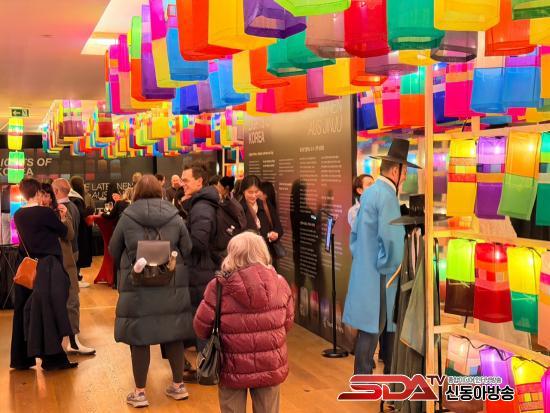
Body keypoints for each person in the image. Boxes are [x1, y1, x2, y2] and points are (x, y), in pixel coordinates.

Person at [109, 175, 194, 408]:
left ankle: (140, 393)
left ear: (136, 192)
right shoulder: (175, 216)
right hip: (171, 286)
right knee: (174, 334)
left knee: (140, 337)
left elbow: (113, 249)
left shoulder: (127, 217)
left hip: (138, 288)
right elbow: (187, 248)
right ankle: (178, 386)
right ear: (160, 191)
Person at [343, 139, 420, 375]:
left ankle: (361, 376)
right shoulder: (387, 196)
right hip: (381, 275)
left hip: (365, 270)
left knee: (369, 327)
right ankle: (364, 379)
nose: (405, 177)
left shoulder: (370, 193)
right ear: (395, 171)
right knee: (375, 327)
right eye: (405, 172)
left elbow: (355, 237)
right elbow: (393, 242)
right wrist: (389, 267)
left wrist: (366, 259)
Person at [194, 232, 294, 413]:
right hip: (270, 365)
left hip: (230, 365)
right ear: (262, 252)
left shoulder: (218, 287)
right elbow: (287, 323)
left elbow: (201, 328)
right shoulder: (280, 283)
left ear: (232, 254)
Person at [10, 178, 76, 371]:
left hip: (28, 267)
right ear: (38, 192)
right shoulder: (45, 213)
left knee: (27, 312)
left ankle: (22, 359)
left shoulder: (18, 215)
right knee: (49, 313)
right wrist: (62, 217)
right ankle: (52, 359)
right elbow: (63, 232)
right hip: (48, 267)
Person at [181, 163, 219, 380]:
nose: (183, 184)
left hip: (201, 271)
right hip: (202, 270)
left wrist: (181, 235)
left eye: (186, 180)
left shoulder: (202, 207)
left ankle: (207, 372)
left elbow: (199, 242)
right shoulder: (200, 204)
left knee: (203, 322)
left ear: (199, 181)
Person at [52, 178, 95, 355]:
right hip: (71, 255)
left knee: (70, 299)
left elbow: (68, 235)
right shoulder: (73, 206)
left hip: (66, 257)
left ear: (56, 192)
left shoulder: (64, 209)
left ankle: (72, 340)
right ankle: (68, 339)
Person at [240, 176, 283, 261]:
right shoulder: (238, 208)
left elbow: (279, 227)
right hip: (248, 257)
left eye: (256, 192)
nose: (253, 195)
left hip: (266, 255)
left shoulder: (265, 205)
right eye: (250, 192)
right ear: (243, 191)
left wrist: (275, 234)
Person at [70, 176, 95, 288]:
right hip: (80, 231)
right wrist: (90, 209)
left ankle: (77, 276)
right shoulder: (76, 199)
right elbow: (81, 214)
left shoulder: (72, 198)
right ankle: (76, 279)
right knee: (79, 254)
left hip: (76, 230)